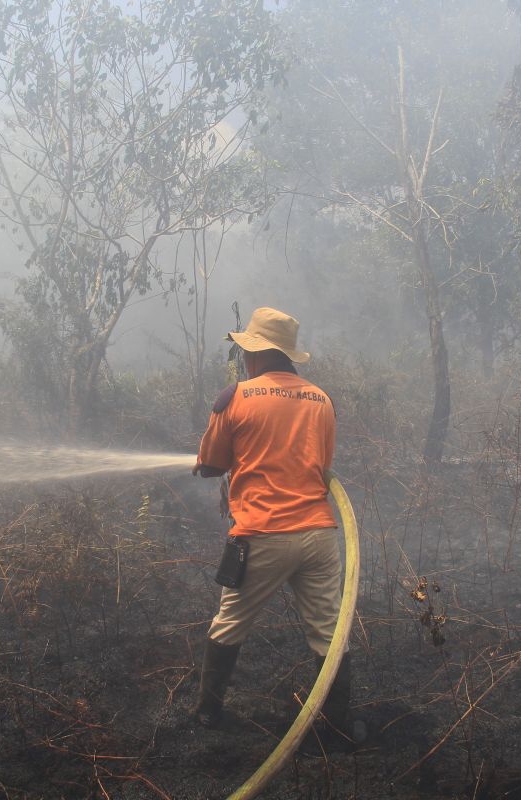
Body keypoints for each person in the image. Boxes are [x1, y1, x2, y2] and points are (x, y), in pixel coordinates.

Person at [191, 307, 358, 748]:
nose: (243, 357)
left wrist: (211, 463)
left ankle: (208, 712)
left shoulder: (237, 398)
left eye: (246, 349)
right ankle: (338, 725)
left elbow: (210, 466)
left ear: (258, 352)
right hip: (320, 535)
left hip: (262, 534)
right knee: (327, 629)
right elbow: (321, 466)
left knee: (229, 624)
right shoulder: (322, 400)